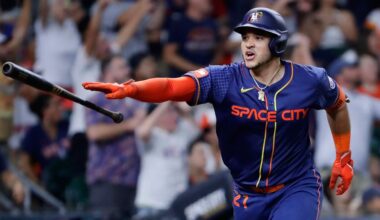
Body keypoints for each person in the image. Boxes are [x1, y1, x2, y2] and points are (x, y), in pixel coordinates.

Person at [83, 7, 353, 220]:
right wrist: (132, 89)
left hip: (296, 187)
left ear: (278, 43)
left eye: (258, 37)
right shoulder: (223, 79)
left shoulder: (309, 79)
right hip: (247, 193)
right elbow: (172, 86)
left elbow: (338, 104)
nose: (248, 44)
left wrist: (343, 155)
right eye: (245, 37)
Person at [85, 55, 146, 219]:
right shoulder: (97, 99)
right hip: (107, 178)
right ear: (107, 72)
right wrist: (128, 125)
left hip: (133, 180)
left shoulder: (134, 98)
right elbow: (94, 133)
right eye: (122, 67)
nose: (128, 71)